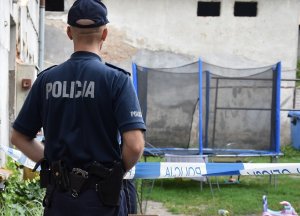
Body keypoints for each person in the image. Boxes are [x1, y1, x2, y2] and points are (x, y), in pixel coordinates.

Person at [10, 0, 146, 215]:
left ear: (69, 32)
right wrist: (115, 173)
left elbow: (19, 137)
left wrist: (52, 163)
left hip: (59, 200)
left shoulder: (46, 80)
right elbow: (135, 145)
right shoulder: (117, 80)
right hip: (102, 200)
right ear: (104, 35)